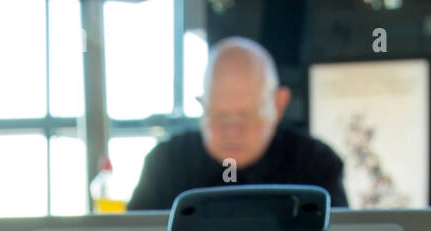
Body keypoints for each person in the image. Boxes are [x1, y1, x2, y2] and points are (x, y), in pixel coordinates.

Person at [126, 37, 348, 211]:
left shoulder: (315, 165)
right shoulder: (166, 165)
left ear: (279, 105)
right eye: (219, 116)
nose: (231, 131)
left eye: (246, 115)